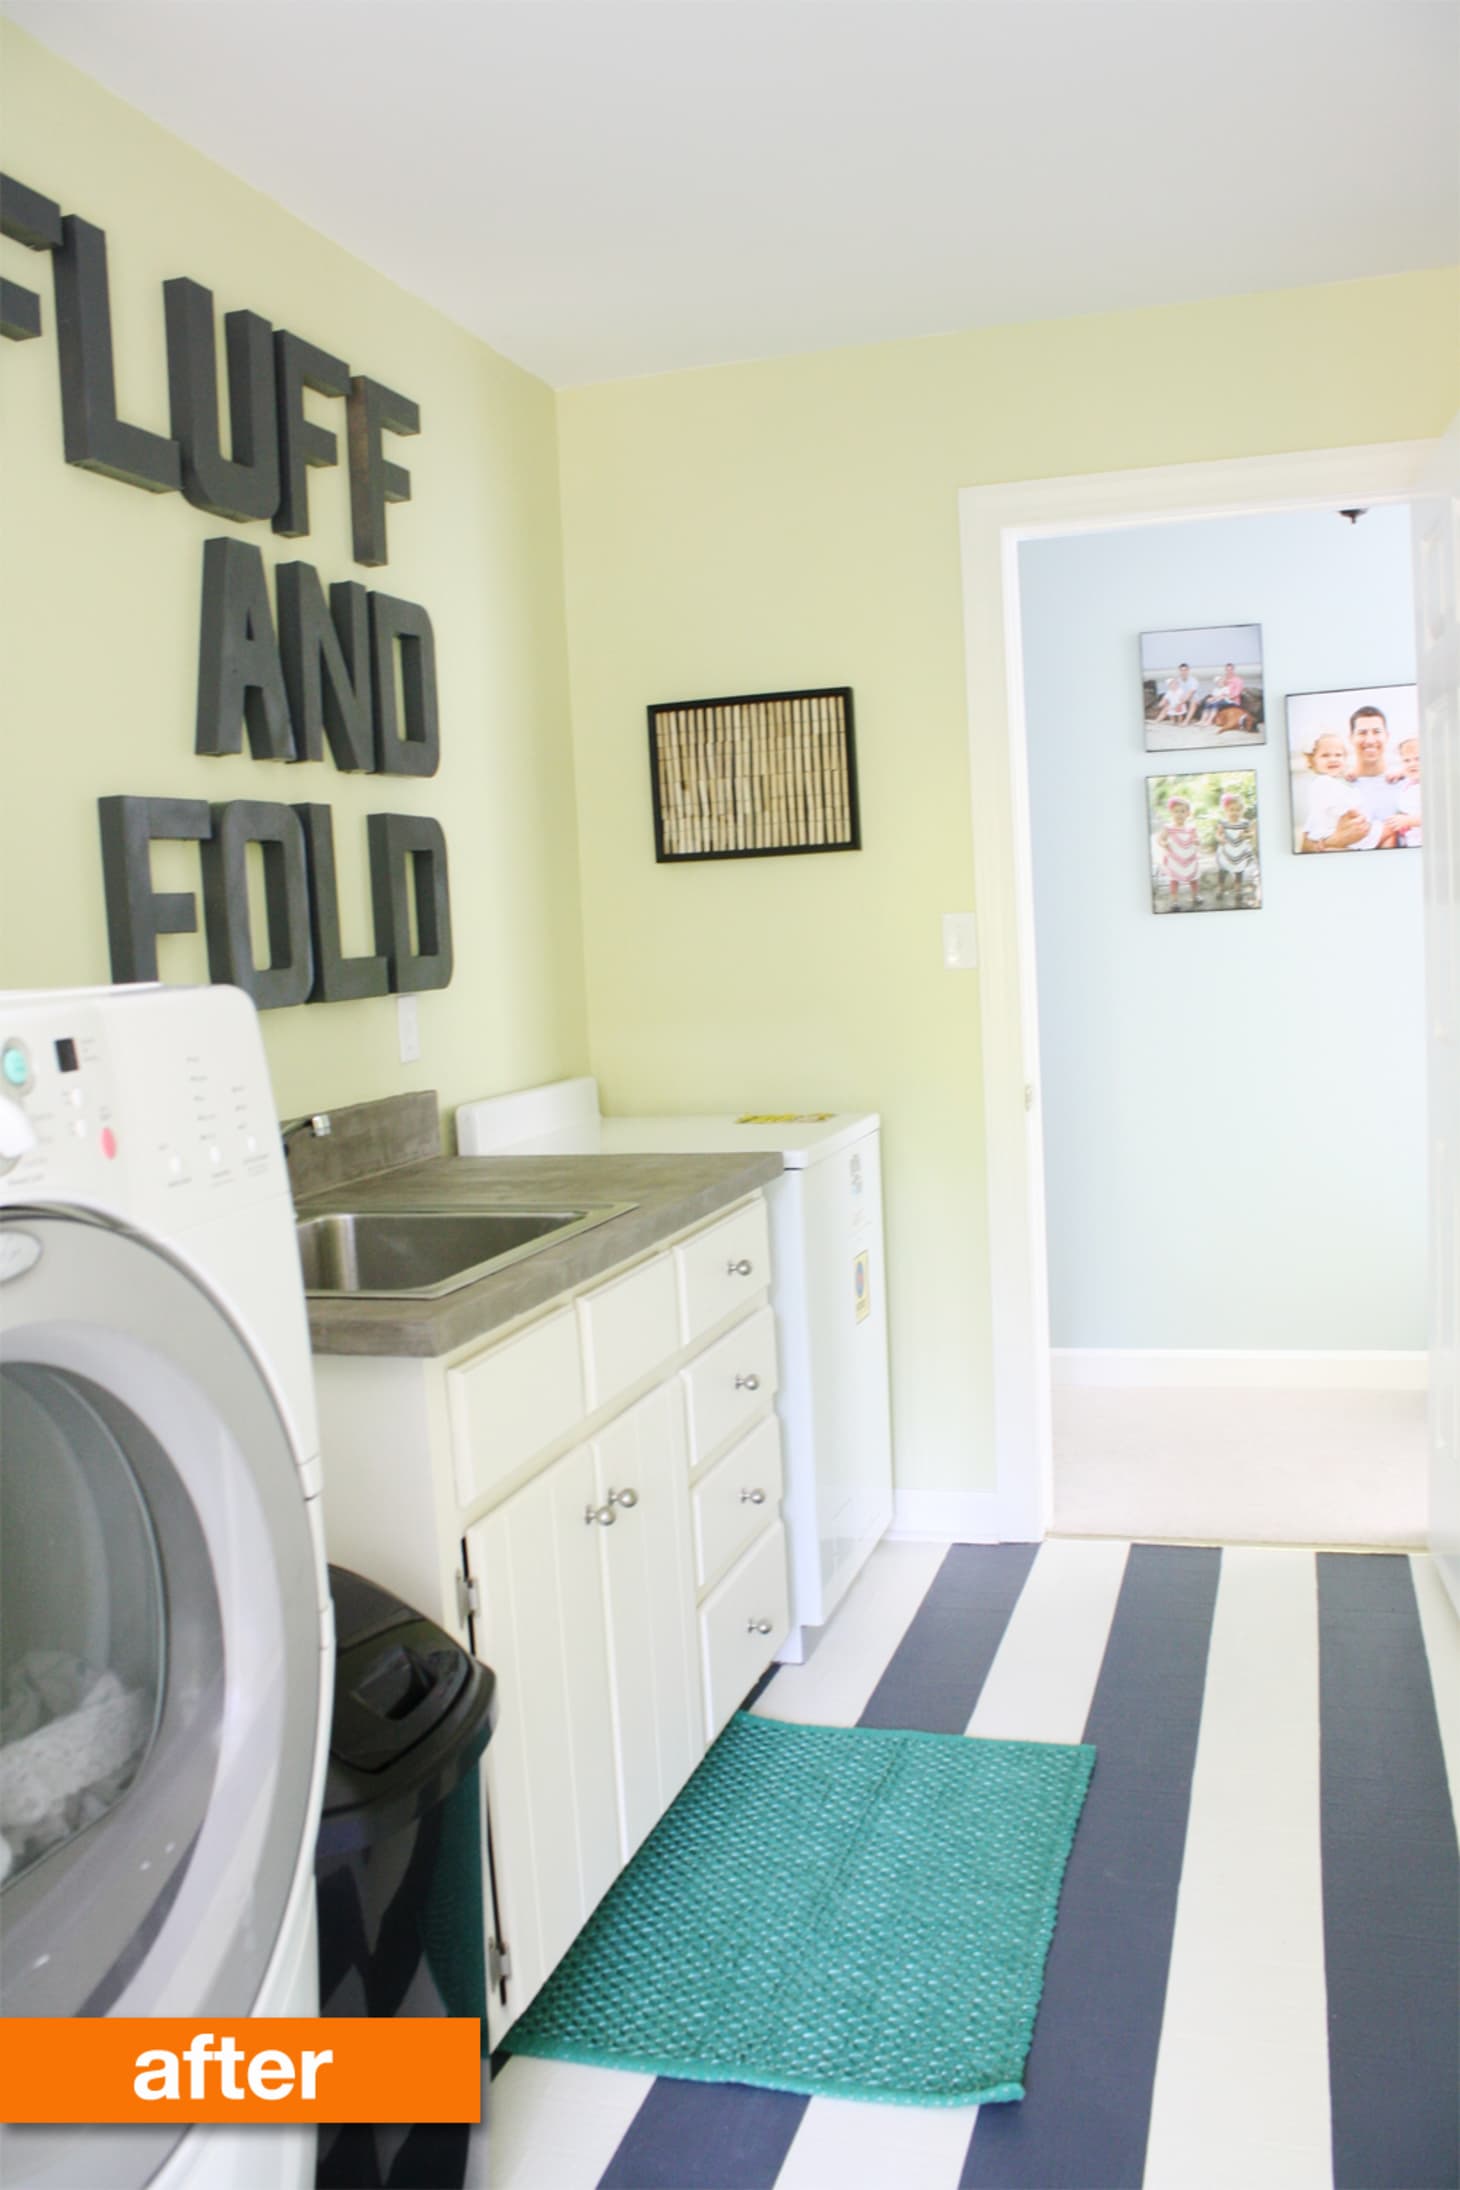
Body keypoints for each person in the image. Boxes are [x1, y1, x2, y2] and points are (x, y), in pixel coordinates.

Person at [1298, 705, 1415, 851]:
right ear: (1351, 738)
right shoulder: (1336, 786)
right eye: (1362, 733)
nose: (1370, 740)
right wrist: (1335, 841)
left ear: (1387, 736)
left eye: (1377, 732)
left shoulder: (1407, 784)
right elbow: (1305, 846)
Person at [1212, 787, 1258, 904]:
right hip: (1227, 851)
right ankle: (1220, 888)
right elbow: (1217, 833)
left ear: (1242, 810)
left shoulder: (1244, 823)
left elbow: (1252, 833)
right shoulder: (1224, 823)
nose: (1234, 812)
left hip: (1239, 851)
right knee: (1223, 871)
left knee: (1239, 871)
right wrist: (1220, 838)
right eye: (1231, 810)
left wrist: (1246, 835)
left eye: (1238, 810)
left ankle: (1238, 889)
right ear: (1226, 810)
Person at [1155, 791, 1201, 908]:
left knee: (1193, 879)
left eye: (1182, 811)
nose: (1179, 814)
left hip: (1189, 858)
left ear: (1188, 814)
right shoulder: (1169, 828)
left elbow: (1197, 839)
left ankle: (1195, 896)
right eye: (1176, 811)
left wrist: (1197, 841)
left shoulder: (1191, 828)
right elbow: (1160, 839)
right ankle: (1175, 900)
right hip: (1175, 859)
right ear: (1171, 812)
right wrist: (1163, 843)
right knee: (1174, 880)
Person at [1391, 735, 1422, 846]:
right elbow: (1410, 770)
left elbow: (1435, 815)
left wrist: (1408, 821)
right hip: (1409, 840)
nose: (1412, 764)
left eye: (1418, 759)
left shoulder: (1430, 785)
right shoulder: (1410, 781)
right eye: (1406, 760)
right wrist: (1400, 773)